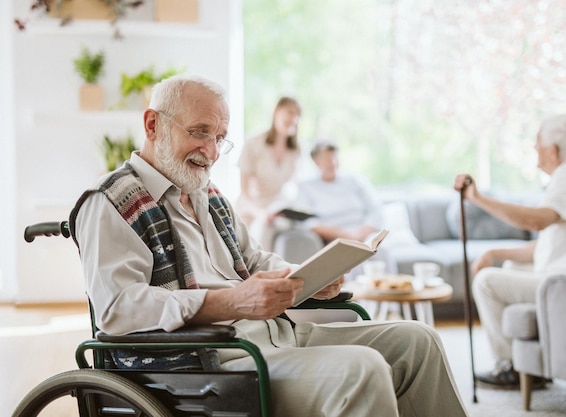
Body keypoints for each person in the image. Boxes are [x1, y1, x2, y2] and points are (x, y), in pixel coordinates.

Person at [70, 74, 468, 417]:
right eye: (199, 132)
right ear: (152, 124)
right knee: (361, 369)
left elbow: (254, 260)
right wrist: (229, 304)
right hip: (209, 366)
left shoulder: (206, 193)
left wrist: (304, 279)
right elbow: (117, 309)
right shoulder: (110, 201)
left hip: (274, 336)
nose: (210, 152)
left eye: (220, 138)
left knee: (419, 340)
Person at [453, 114, 566, 389]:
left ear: (553, 150)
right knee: (509, 269)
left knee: (486, 283)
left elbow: (535, 221)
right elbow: (547, 246)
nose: (534, 148)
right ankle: (528, 365)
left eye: (537, 142)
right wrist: (497, 253)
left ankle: (511, 367)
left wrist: (478, 198)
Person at [235, 97, 302, 249]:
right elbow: (244, 192)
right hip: (252, 208)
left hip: (277, 209)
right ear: (276, 112)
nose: (294, 118)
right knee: (262, 226)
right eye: (290, 112)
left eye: (298, 115)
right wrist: (261, 214)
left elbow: (294, 188)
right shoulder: (253, 144)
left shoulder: (295, 151)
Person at [296, 140, 384, 243]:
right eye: (327, 159)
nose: (333, 163)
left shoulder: (355, 180)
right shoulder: (306, 187)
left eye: (335, 157)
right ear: (316, 161)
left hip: (364, 235)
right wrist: (342, 235)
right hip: (334, 239)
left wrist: (361, 233)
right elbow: (308, 222)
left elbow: (376, 210)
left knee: (381, 249)